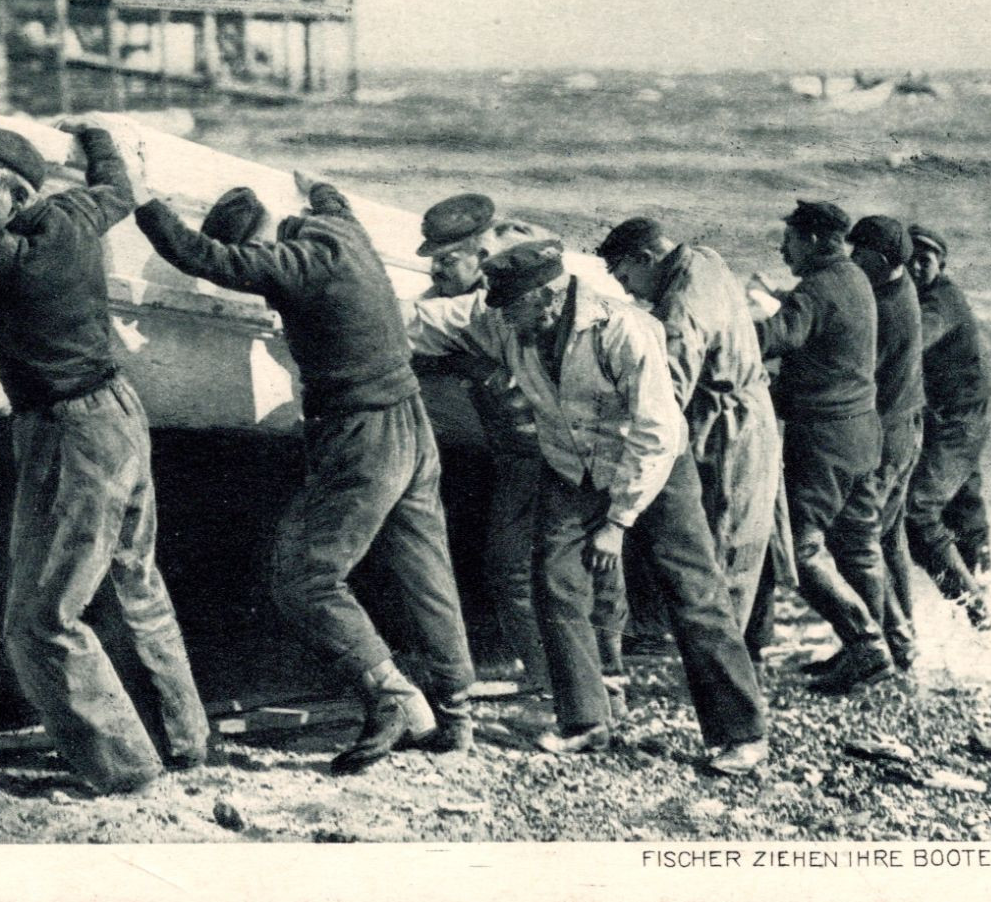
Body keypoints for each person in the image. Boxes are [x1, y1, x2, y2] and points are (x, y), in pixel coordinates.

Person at [0, 123, 209, 795]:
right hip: (118, 416)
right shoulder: (71, 216)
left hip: (70, 435)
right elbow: (116, 188)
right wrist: (98, 136)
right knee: (135, 583)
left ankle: (125, 772)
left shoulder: (10, 257)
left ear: (17, 191)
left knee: (37, 622)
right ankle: (184, 740)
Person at [133, 179, 476, 775]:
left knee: (304, 576)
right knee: (426, 571)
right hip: (413, 424)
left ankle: (391, 698)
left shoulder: (295, 263)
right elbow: (337, 200)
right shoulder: (344, 231)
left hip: (362, 435)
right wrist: (317, 186)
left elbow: (199, 256)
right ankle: (455, 717)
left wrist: (139, 196)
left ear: (255, 243)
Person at [408, 241, 768, 774]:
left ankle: (741, 733)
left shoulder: (624, 328)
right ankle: (586, 721)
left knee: (693, 591)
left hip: (653, 467)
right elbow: (426, 319)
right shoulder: (510, 317)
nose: (503, 319)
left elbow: (657, 431)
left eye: (513, 308)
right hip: (573, 467)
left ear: (550, 297)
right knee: (555, 581)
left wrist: (618, 523)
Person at [595, 218, 780, 655]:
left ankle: (724, 665)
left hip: (728, 428)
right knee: (748, 536)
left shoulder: (681, 305)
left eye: (626, 277)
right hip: (749, 411)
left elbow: (667, 391)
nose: (627, 291)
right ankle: (750, 643)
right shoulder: (703, 259)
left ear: (646, 258)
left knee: (725, 538)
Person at [751, 200, 894, 694]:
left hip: (825, 439)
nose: (781, 248)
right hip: (863, 431)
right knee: (857, 546)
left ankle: (866, 646)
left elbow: (778, 336)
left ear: (812, 241)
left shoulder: (817, 288)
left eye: (788, 239)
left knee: (800, 546)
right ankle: (872, 652)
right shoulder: (854, 277)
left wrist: (729, 324)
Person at [412, 194, 552, 692]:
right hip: (509, 450)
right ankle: (581, 671)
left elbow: (419, 330)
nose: (436, 273)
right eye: (431, 264)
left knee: (514, 569)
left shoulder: (489, 303)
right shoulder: (462, 301)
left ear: (482, 256)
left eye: (447, 261)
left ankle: (546, 677)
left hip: (536, 453)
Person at [846, 215, 926, 672]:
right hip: (906, 430)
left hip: (886, 436)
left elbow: (854, 370)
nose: (852, 262)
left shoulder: (885, 311)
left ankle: (881, 643)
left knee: (858, 541)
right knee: (887, 539)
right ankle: (901, 642)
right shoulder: (900, 289)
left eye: (858, 256)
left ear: (878, 260)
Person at [905, 225, 991, 629]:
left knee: (917, 509)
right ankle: (985, 599)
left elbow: (917, 337)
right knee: (964, 508)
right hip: (947, 413)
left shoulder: (941, 300)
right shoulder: (919, 295)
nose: (916, 266)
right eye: (910, 258)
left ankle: (971, 607)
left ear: (941, 265)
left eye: (925, 260)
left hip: (960, 419)